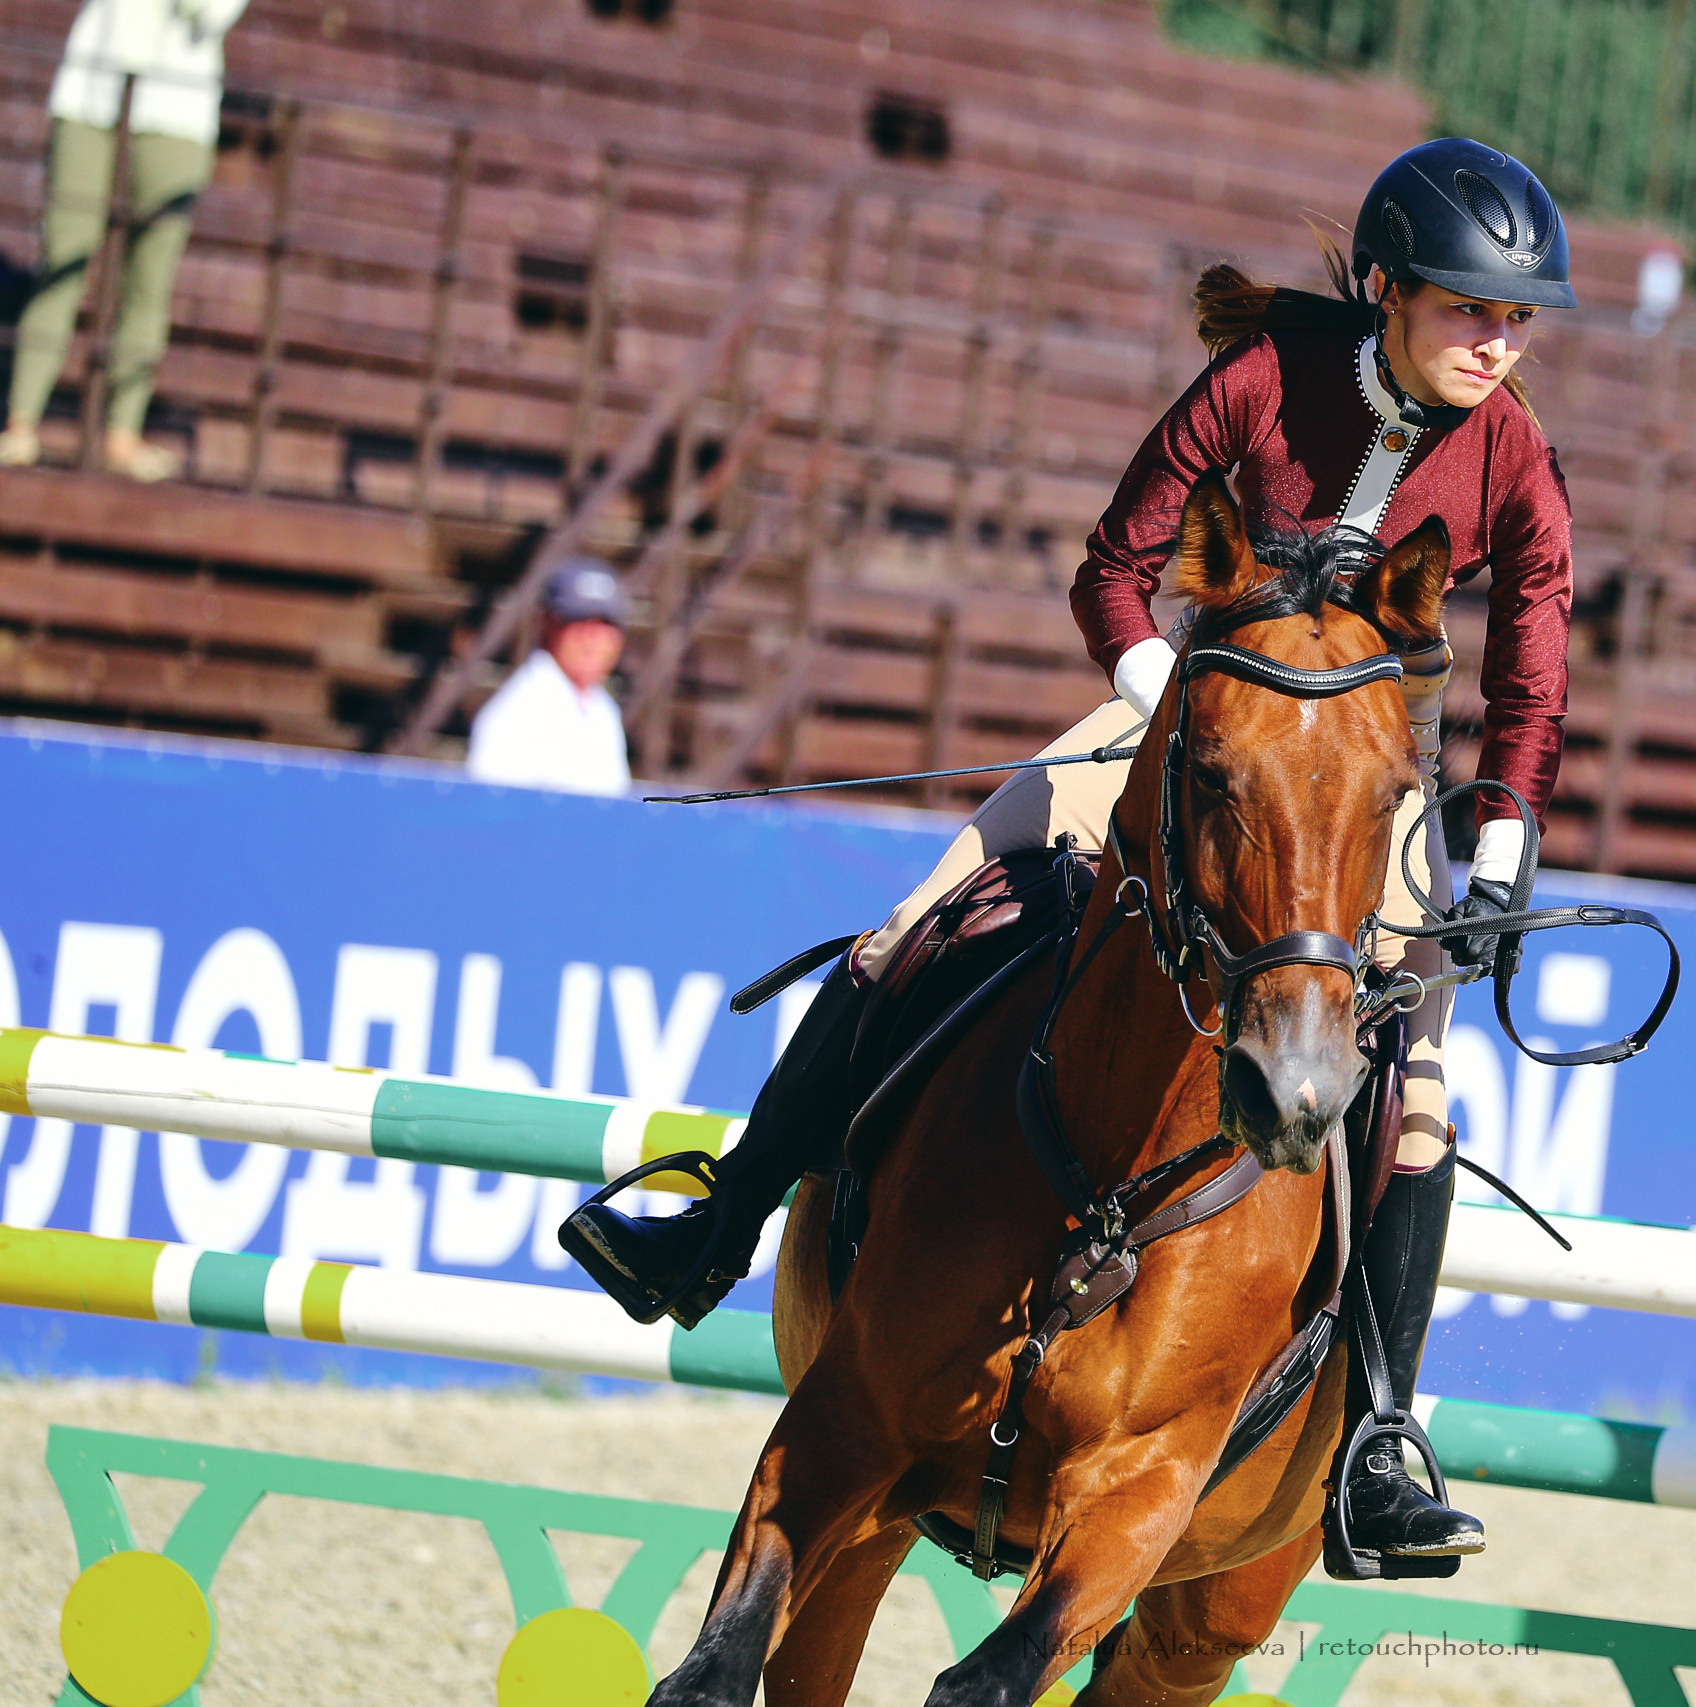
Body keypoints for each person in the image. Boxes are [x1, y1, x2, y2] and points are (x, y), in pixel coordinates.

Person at [562, 138, 1581, 1569]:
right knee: (907, 927)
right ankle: (719, 1222)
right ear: (1389, 292)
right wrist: (1164, 698)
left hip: (1363, 780)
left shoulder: (1514, 451)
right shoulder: (1262, 377)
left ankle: (1376, 1438)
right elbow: (1115, 563)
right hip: (1178, 717)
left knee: (1413, 1094)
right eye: (1474, 310)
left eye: (1517, 319)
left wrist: (1502, 838)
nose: (1499, 342)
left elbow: (1533, 665)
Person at [0, 0, 251, 481]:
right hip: (91, 93)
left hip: (177, 109)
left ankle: (121, 432)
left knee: (148, 279)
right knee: (62, 259)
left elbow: (209, 10)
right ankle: (21, 420)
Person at [465, 559, 633, 796]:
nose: (593, 639)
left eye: (605, 624)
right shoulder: (517, 713)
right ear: (547, 623)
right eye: (579, 621)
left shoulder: (604, 710)